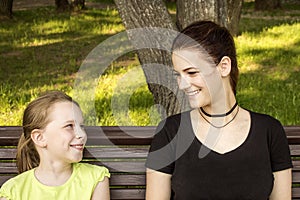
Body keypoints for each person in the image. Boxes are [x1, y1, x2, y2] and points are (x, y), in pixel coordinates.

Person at [145, 21, 292, 199]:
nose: (182, 85)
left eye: (191, 73)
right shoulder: (170, 131)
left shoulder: (269, 131)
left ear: (224, 67)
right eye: (178, 75)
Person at [0, 91, 110, 200]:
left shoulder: (96, 178)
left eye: (81, 126)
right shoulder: (14, 191)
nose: (82, 134)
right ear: (40, 138)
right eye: (69, 126)